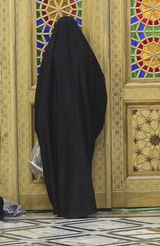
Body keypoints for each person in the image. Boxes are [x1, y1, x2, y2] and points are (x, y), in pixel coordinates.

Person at [34, 16, 107, 219]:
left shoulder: (51, 57)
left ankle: (61, 206)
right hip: (81, 124)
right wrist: (91, 122)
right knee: (79, 161)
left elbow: (42, 96)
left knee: (59, 162)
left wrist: (42, 123)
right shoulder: (84, 56)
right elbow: (98, 90)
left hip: (55, 125)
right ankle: (81, 205)